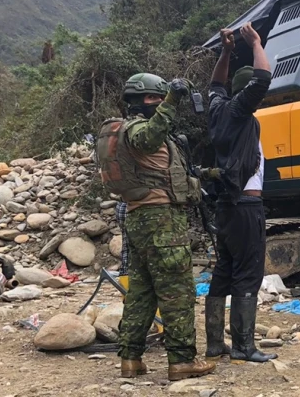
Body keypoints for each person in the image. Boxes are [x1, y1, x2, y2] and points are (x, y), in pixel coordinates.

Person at [104, 73, 214, 380]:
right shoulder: (139, 129)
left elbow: (168, 170)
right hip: (160, 220)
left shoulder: (133, 131)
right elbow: (148, 138)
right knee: (176, 289)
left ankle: (131, 358)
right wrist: (173, 100)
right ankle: (182, 360)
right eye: (156, 98)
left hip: (141, 219)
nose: (159, 103)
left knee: (142, 291)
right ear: (141, 100)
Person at [203, 22, 275, 364]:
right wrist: (256, 43)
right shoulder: (239, 111)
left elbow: (215, 83)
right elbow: (262, 78)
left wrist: (227, 52)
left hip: (226, 205)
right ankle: (245, 346)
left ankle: (216, 344)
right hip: (246, 205)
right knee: (248, 273)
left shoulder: (218, 108)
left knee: (224, 272)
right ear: (248, 95)